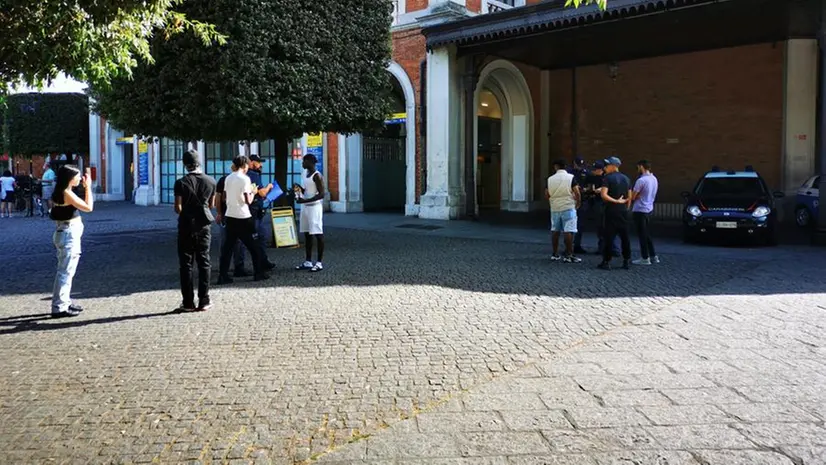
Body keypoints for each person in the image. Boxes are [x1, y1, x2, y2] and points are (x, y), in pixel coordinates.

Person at [174, 150, 216, 312]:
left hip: (186, 225)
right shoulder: (210, 181)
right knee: (204, 261)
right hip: (204, 225)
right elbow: (211, 205)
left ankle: (188, 302)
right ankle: (204, 300)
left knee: (186, 264)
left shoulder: (181, 183)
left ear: (185, 165)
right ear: (199, 163)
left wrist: (186, 213)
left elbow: (178, 207)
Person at [217, 155, 270, 284]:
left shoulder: (228, 178)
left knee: (228, 248)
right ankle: (259, 273)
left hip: (230, 215)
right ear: (245, 165)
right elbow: (248, 200)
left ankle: (223, 275)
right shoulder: (245, 179)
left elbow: (224, 197)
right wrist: (253, 191)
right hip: (243, 216)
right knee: (253, 246)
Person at [49, 165, 94, 317]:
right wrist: (88, 188)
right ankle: (59, 307)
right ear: (69, 178)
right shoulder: (66, 193)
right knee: (65, 271)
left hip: (63, 232)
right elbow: (88, 207)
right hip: (68, 234)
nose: (80, 178)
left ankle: (65, 301)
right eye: (77, 176)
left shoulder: (59, 192)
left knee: (66, 270)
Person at [597, 156, 633, 270]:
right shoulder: (626, 178)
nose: (605, 168)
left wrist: (615, 201)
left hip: (611, 211)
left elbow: (603, 195)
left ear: (613, 166)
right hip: (623, 211)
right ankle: (626, 260)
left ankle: (606, 261)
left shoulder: (607, 178)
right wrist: (626, 207)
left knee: (609, 237)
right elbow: (629, 197)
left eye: (607, 165)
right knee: (625, 237)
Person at [546, 159, 582, 263]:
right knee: (569, 230)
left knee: (555, 230)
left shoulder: (550, 179)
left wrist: (553, 200)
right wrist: (578, 203)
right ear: (565, 166)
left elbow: (546, 194)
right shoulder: (570, 178)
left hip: (555, 207)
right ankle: (569, 255)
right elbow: (577, 192)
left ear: (555, 167)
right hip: (568, 206)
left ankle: (555, 254)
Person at [215, 164, 249, 277]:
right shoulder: (243, 179)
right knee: (238, 243)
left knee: (226, 243)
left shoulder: (225, 179)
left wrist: (219, 213)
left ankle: (224, 269)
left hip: (228, 214)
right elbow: (220, 197)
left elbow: (219, 197)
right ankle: (238, 267)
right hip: (238, 215)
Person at [295, 154, 326, 272]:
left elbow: (321, 194)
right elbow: (306, 190)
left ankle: (319, 262)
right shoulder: (305, 174)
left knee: (318, 233)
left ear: (309, 162)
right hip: (305, 207)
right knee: (307, 234)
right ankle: (308, 261)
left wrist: (305, 200)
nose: (302, 163)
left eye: (304, 161)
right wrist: (299, 189)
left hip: (314, 207)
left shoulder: (317, 176)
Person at [584, 161, 621, 257]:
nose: (593, 171)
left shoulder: (606, 178)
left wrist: (599, 190)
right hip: (601, 203)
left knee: (603, 227)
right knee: (603, 227)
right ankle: (606, 248)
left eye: (595, 169)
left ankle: (610, 248)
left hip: (602, 203)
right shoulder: (600, 177)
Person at [246, 155, 276, 270]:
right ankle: (261, 264)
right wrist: (269, 187)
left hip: (250, 209)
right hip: (254, 211)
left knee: (256, 237)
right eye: (259, 163)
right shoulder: (254, 175)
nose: (261, 165)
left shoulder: (246, 175)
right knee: (258, 237)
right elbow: (262, 193)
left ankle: (262, 261)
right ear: (252, 163)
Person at [631, 159, 660, 265]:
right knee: (647, 234)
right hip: (649, 208)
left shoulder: (641, 180)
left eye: (638, 167)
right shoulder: (654, 179)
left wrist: (636, 195)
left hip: (640, 209)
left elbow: (633, 196)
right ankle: (653, 255)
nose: (637, 169)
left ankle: (645, 257)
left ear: (641, 167)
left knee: (642, 234)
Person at [569, 156, 589, 254]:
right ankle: (569, 247)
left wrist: (586, 189)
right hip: (571, 200)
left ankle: (577, 245)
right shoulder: (569, 173)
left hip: (583, 200)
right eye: (578, 165)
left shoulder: (585, 172)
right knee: (570, 225)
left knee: (580, 225)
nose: (580, 167)